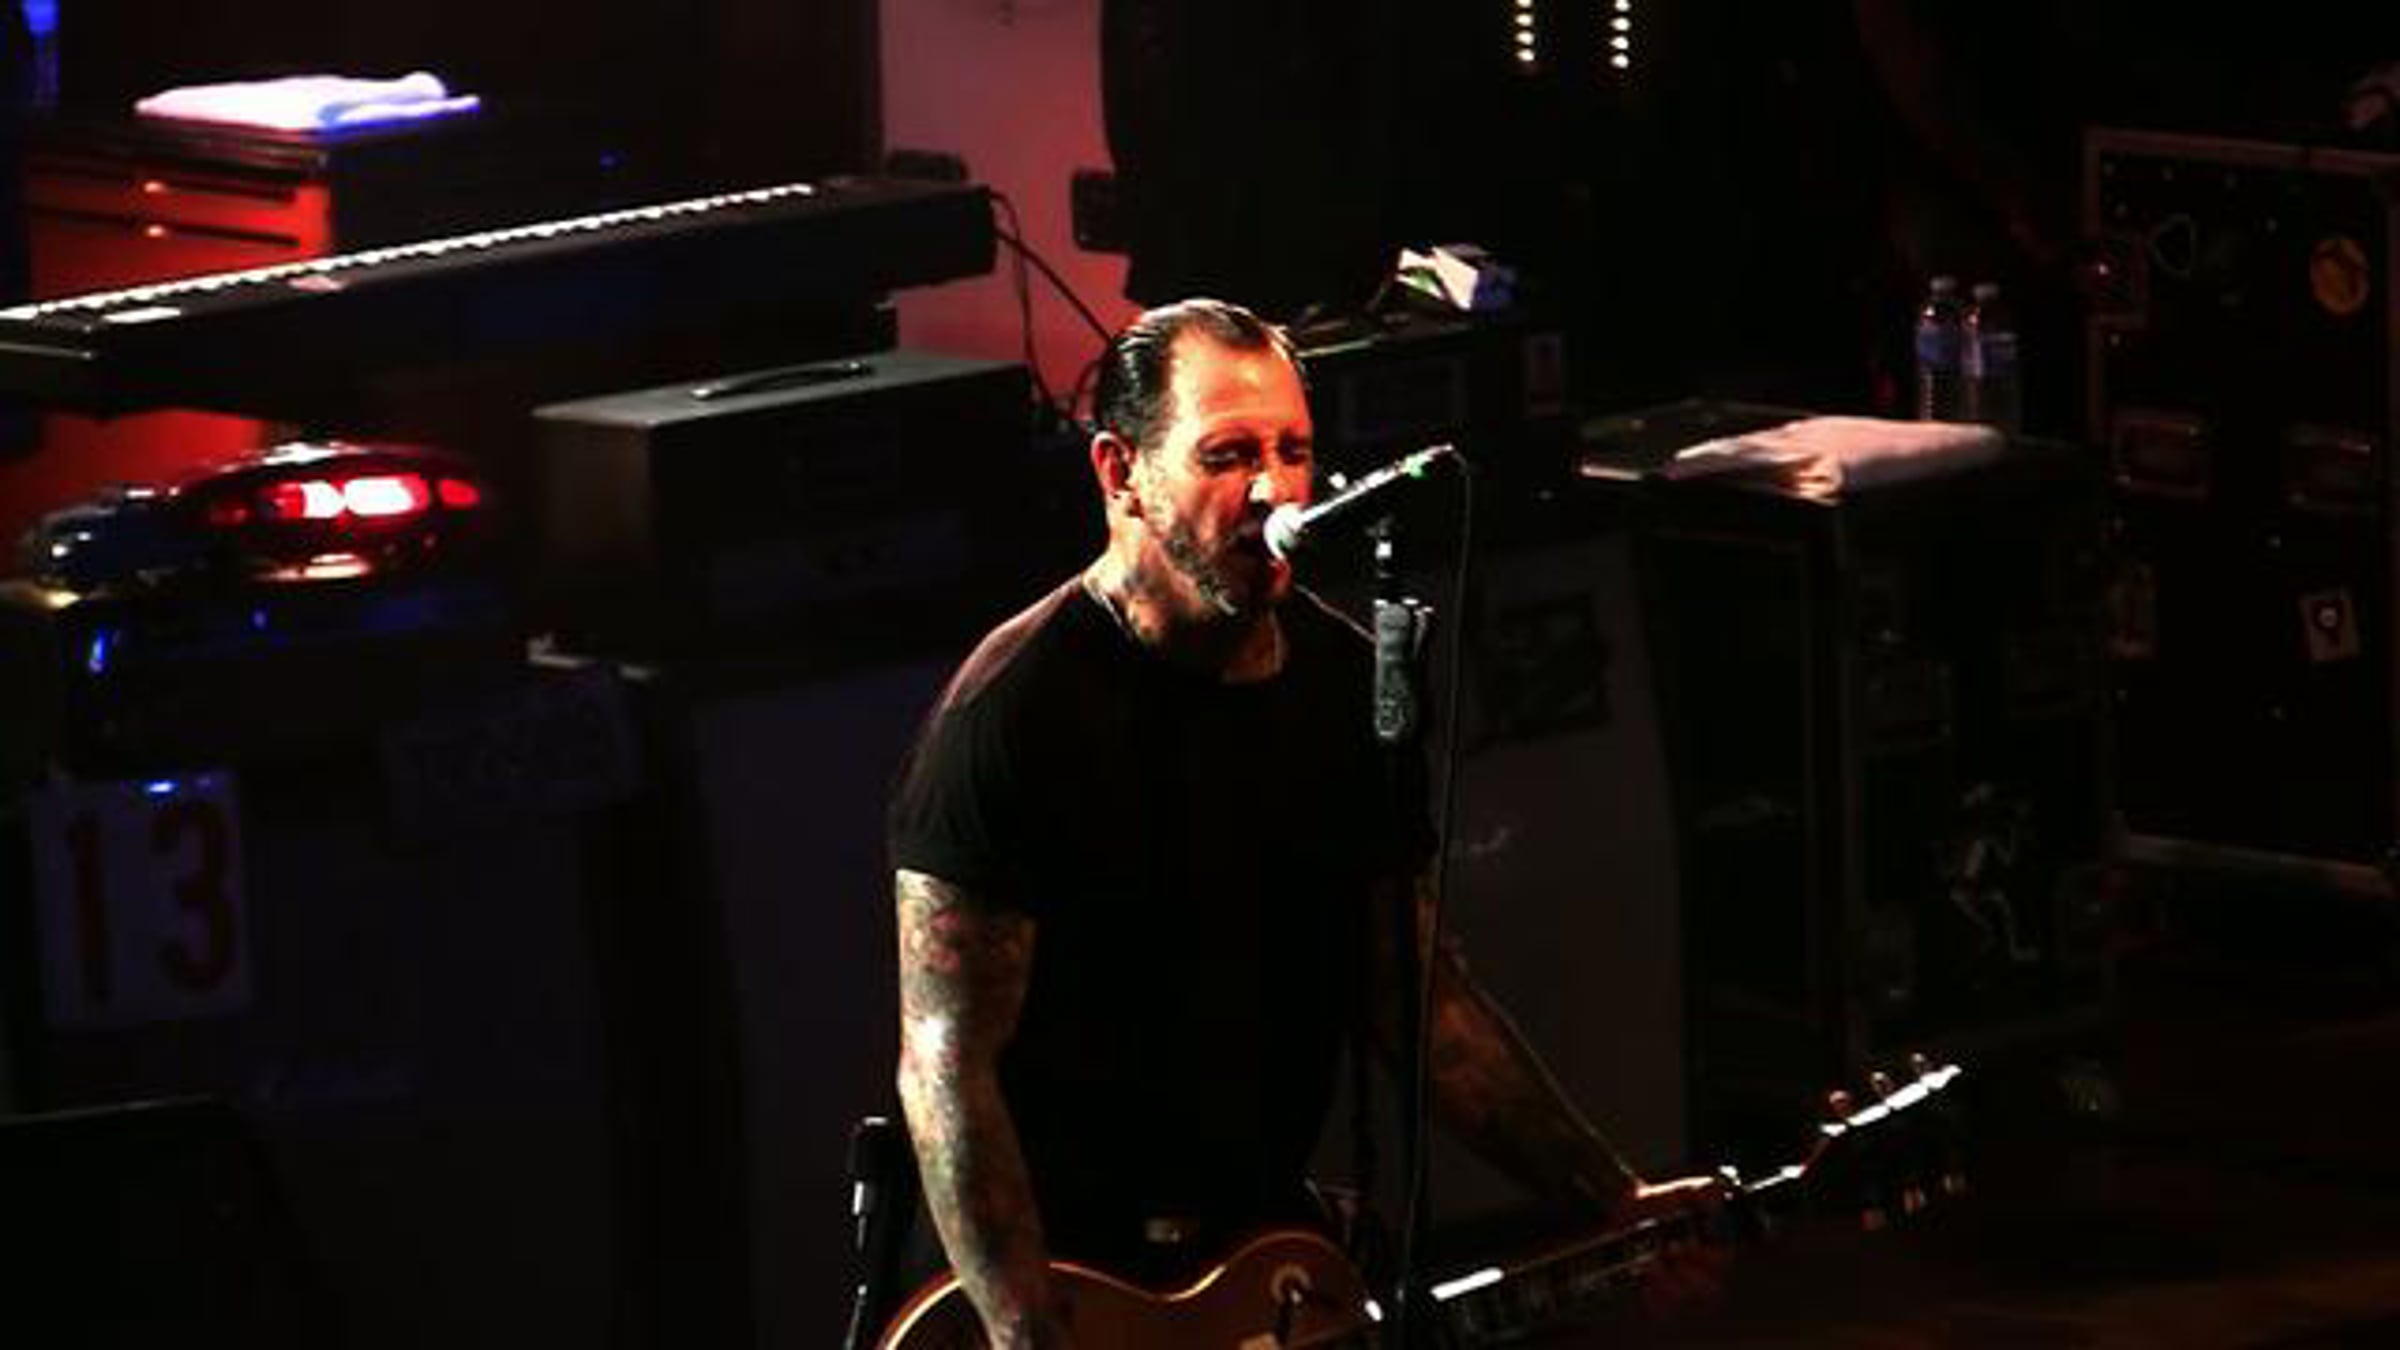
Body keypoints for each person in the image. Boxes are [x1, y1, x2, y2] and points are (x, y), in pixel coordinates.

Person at [884, 297, 1724, 1348]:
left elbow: (1418, 1003)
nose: (1275, 490)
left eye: (1293, 451)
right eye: (1228, 455)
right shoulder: (1012, 715)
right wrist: (1024, 1328)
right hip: (1061, 1277)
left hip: (1253, 1253)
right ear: (1119, 473)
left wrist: (1611, 1197)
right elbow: (948, 1071)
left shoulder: (1343, 686)